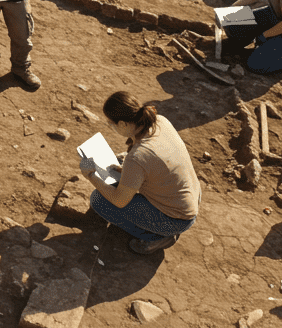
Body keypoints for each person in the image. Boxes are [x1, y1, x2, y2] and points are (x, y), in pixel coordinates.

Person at [79, 92, 202, 255]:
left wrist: (90, 175)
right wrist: (126, 167)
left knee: (99, 201)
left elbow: (120, 201)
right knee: (119, 173)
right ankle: (158, 229)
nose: (110, 126)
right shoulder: (160, 121)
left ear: (122, 124)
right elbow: (154, 161)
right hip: (189, 199)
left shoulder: (138, 157)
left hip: (175, 219)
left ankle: (157, 237)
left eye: (111, 124)